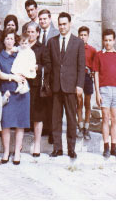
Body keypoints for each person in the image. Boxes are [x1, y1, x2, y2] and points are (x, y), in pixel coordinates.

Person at [44, 12, 85, 159]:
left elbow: (81, 66)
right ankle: (57, 148)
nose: (62, 27)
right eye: (60, 24)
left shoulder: (78, 43)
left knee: (71, 118)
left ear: (70, 24)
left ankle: (71, 148)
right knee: (55, 119)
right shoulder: (52, 42)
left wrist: (79, 85)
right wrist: (47, 84)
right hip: (56, 87)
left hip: (71, 86)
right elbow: (48, 65)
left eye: (64, 24)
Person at [0, 28, 30, 165]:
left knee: (20, 124)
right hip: (7, 92)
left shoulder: (21, 53)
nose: (9, 41)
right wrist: (13, 77)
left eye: (11, 38)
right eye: (7, 38)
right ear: (3, 41)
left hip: (22, 92)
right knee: (6, 123)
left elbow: (29, 66)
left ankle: (17, 152)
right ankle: (6, 151)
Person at [93, 29, 116, 158]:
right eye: (105, 40)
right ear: (103, 41)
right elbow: (96, 74)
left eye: (110, 40)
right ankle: (106, 147)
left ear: (114, 41)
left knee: (115, 119)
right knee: (105, 118)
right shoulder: (99, 55)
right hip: (104, 90)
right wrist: (97, 93)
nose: (108, 43)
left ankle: (114, 147)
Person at [38, 9, 59, 144]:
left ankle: (52, 131)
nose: (42, 21)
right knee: (42, 102)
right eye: (40, 19)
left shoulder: (56, 33)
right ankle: (45, 128)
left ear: (50, 19)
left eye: (45, 19)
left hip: (52, 73)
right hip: (40, 72)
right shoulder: (38, 32)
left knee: (53, 104)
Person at [26, 22, 46, 156]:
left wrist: (37, 67)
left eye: (33, 32)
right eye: (28, 32)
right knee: (24, 113)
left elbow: (47, 65)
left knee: (37, 115)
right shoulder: (23, 47)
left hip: (37, 84)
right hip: (24, 85)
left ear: (38, 33)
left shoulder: (42, 48)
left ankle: (37, 143)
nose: (30, 34)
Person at [77, 26, 96, 140]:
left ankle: (87, 127)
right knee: (79, 102)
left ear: (88, 36)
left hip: (87, 77)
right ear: (78, 36)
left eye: (85, 35)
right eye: (81, 35)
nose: (83, 37)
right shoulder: (75, 48)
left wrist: (92, 72)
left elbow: (94, 64)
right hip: (78, 77)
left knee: (87, 103)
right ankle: (80, 126)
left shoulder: (92, 50)